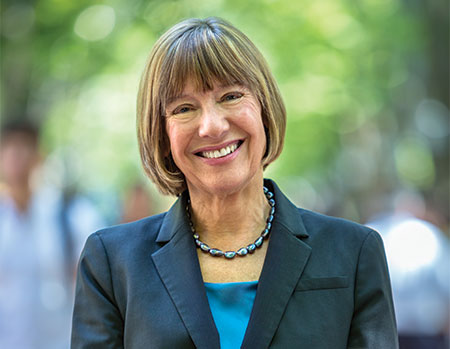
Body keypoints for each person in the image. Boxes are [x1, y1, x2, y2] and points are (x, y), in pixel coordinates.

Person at [71, 17, 398, 348]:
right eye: (184, 108)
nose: (211, 126)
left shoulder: (354, 253)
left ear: (264, 107)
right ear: (162, 134)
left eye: (230, 96)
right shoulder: (111, 265)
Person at [0, 121, 104, 348]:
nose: (15, 157)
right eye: (8, 148)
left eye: (23, 147)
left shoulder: (70, 215)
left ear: (39, 156)